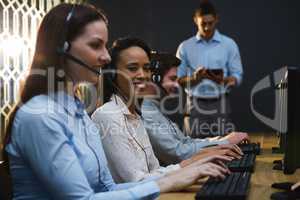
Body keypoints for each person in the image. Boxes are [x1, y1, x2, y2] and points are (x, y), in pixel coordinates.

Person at [2, 3, 229, 199]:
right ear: (62, 47)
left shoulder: (77, 110)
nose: (106, 56)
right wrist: (173, 179)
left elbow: (107, 188)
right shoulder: (41, 115)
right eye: (95, 45)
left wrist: (186, 170)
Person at [91, 37, 231, 184]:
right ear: (113, 74)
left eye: (146, 68)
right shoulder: (107, 116)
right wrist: (192, 165)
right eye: (132, 68)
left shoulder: (135, 115)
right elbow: (136, 181)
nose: (143, 75)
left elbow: (154, 170)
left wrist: (196, 163)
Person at [142, 52, 248, 166]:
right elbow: (177, 153)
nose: (177, 85)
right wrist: (226, 142)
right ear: (154, 79)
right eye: (172, 79)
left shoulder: (154, 109)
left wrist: (223, 140)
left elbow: (185, 142)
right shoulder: (147, 113)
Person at [176, 0, 243, 138]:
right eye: (203, 24)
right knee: (192, 151)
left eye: (210, 23)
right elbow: (177, 79)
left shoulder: (229, 44)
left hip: (221, 104)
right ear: (195, 20)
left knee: (225, 150)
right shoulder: (185, 47)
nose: (207, 27)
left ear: (217, 19)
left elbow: (237, 76)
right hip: (194, 105)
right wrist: (195, 78)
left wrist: (224, 80)